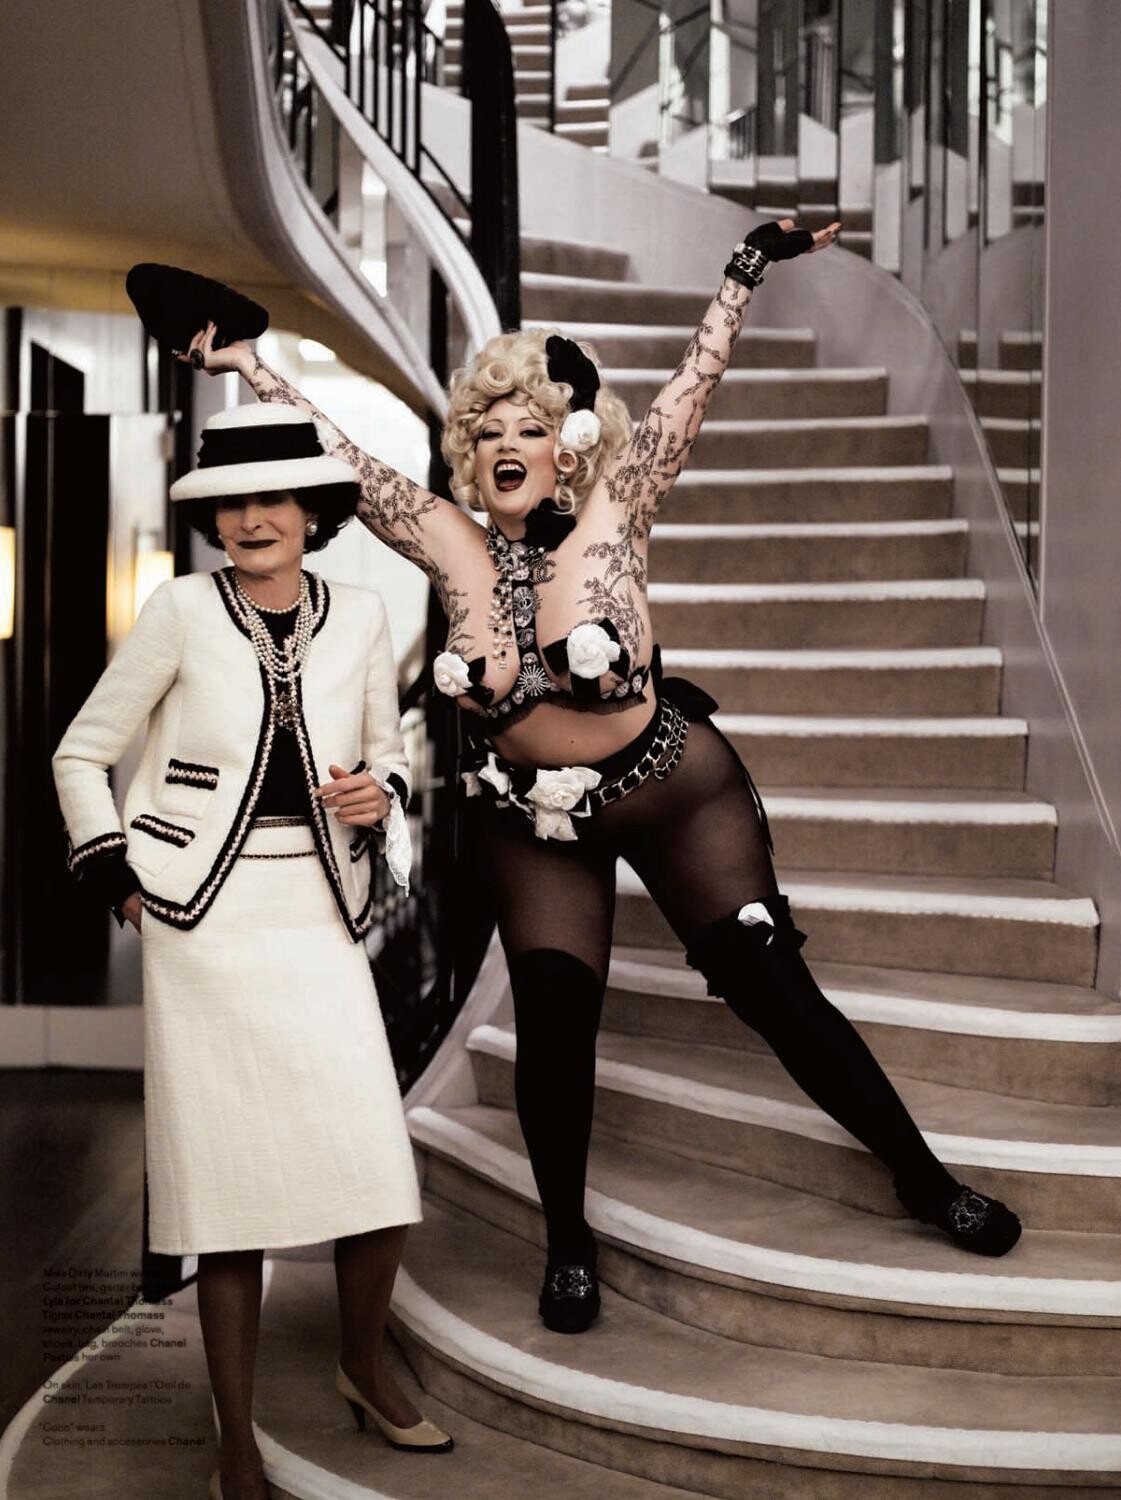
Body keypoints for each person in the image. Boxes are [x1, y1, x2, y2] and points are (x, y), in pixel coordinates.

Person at [188, 219, 1021, 1340]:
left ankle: (924, 1179)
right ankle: (568, 1245)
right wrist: (249, 364)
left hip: (673, 787)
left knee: (773, 991)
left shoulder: (618, 509)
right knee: (552, 1020)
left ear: (569, 445)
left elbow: (690, 386)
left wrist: (744, 269)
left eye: (527, 426)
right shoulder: (445, 541)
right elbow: (340, 454)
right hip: (532, 821)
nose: (503, 442)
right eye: (486, 429)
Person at [52, 403, 453, 1500]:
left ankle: (361, 1366)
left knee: (376, 1172)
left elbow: (389, 752)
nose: (250, 518)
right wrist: (117, 877)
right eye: (230, 503)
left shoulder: (363, 614)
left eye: (272, 498)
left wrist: (382, 793)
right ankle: (234, 1440)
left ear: (312, 510)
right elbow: (81, 753)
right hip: (200, 923)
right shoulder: (179, 611)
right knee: (223, 1197)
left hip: (318, 914)